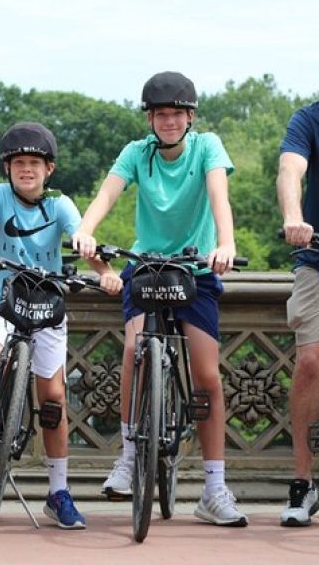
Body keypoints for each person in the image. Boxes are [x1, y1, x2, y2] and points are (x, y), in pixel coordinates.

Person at [71, 71, 247, 526]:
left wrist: (224, 243)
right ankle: (129, 457)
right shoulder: (137, 153)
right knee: (134, 350)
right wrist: (85, 231)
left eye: (176, 114)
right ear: (150, 118)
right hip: (146, 269)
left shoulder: (208, 146)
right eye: (160, 114)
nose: (168, 121)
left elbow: (218, 196)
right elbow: (105, 195)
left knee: (207, 376)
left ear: (190, 117)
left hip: (195, 271)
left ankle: (213, 488)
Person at [0, 122, 122, 530]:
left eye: (34, 164)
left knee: (54, 397)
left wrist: (105, 270)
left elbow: (81, 237)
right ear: (8, 168)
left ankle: (58, 492)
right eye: (19, 163)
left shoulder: (59, 204)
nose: (26, 170)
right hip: (6, 303)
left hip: (48, 309)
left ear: (49, 170)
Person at [276, 100, 319, 526]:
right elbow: (291, 169)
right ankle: (303, 482)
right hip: (317, 259)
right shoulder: (310, 118)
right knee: (310, 362)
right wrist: (294, 216)